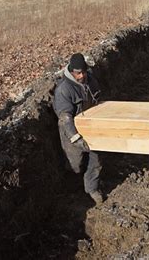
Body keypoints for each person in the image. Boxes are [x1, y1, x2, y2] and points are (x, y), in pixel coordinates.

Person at [53, 53, 103, 205]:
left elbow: (98, 99)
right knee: (76, 162)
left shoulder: (91, 80)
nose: (81, 76)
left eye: (83, 72)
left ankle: (92, 188)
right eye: (78, 73)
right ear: (71, 71)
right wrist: (75, 137)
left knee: (95, 160)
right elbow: (65, 117)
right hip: (71, 130)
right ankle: (71, 184)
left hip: (91, 126)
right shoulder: (64, 89)